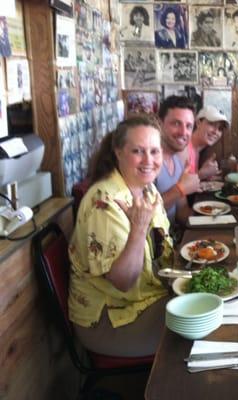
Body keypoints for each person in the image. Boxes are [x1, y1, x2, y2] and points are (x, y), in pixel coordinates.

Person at [68, 115, 173, 357]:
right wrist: (138, 228)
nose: (149, 160)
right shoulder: (103, 202)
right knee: (201, 327)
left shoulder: (145, 188)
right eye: (138, 151)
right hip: (112, 320)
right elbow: (123, 282)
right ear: (118, 152)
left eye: (155, 151)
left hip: (146, 300)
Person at [155, 96, 201, 226]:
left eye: (188, 126)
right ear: (159, 123)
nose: (183, 132)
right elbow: (141, 216)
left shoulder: (177, 161)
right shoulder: (148, 163)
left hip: (174, 239)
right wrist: (180, 189)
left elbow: (182, 212)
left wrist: (214, 220)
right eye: (176, 123)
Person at [179, 105, 229, 180]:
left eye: (220, 128)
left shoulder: (196, 150)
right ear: (198, 123)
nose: (216, 132)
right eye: (212, 124)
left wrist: (206, 176)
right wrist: (201, 174)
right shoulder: (183, 149)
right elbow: (172, 188)